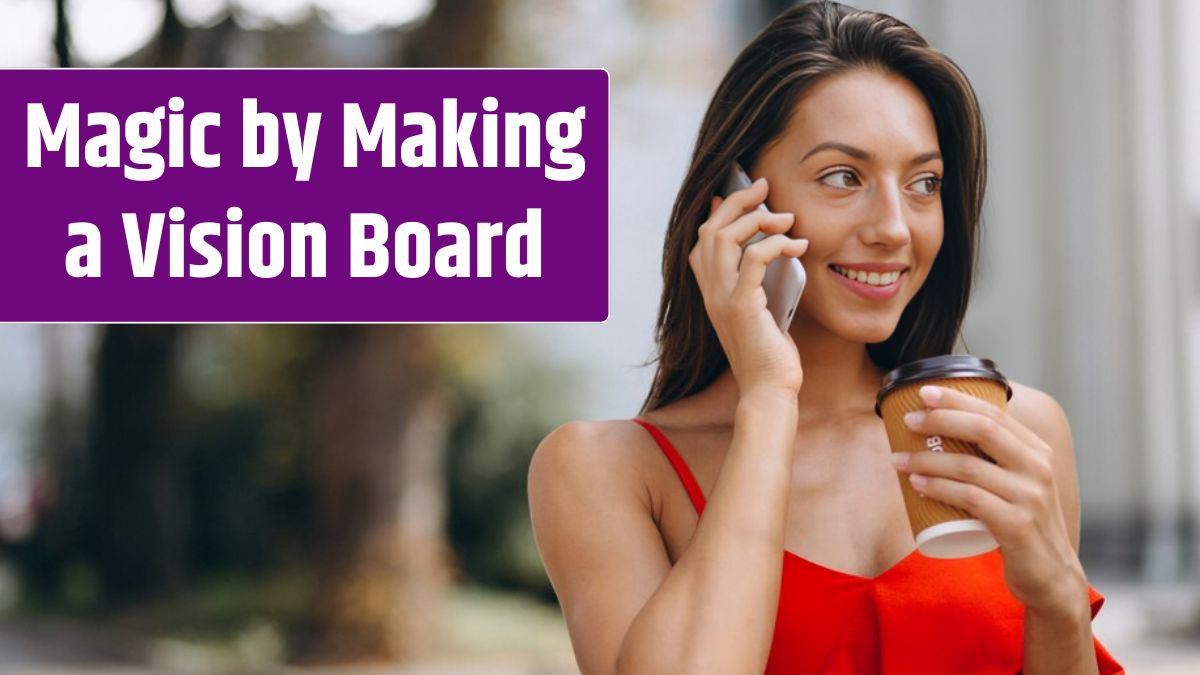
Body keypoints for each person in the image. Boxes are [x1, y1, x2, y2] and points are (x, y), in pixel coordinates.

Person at [527, 2, 1124, 673]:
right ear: (736, 199)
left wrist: (1060, 605)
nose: (895, 227)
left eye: (924, 183)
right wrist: (769, 398)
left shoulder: (1012, 431)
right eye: (844, 176)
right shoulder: (608, 470)